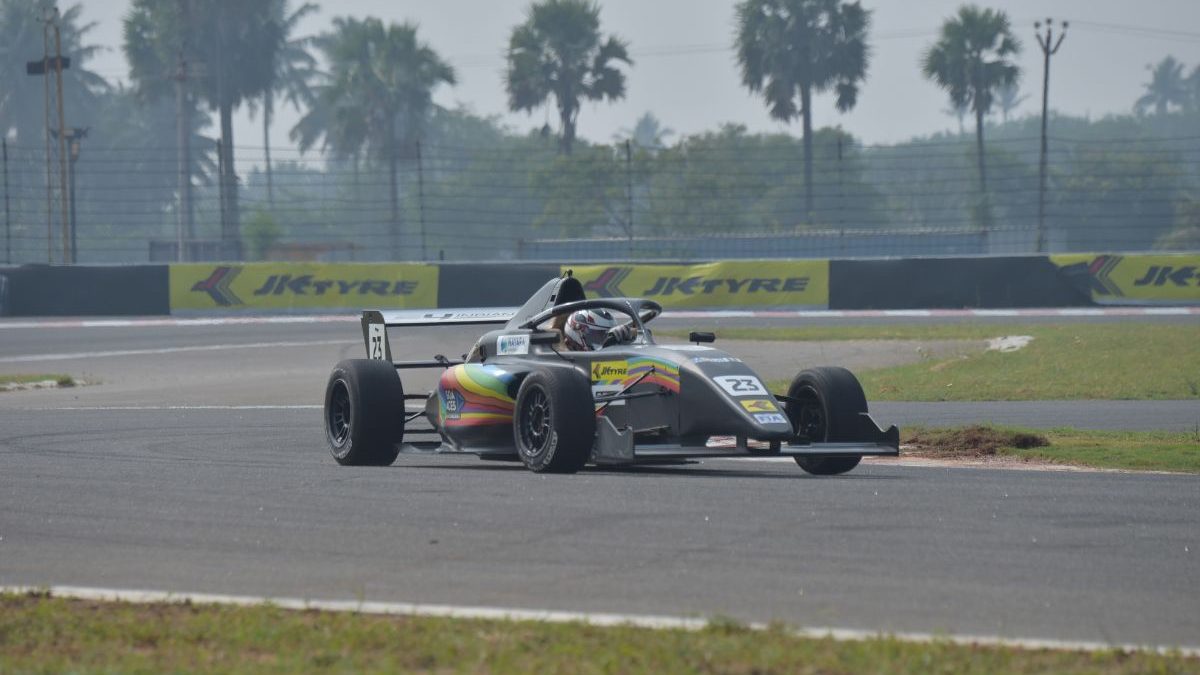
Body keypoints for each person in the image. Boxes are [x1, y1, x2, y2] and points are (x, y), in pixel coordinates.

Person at [562, 308, 636, 351]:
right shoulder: (562, 360)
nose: (606, 340)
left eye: (607, 336)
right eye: (598, 335)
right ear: (579, 331)